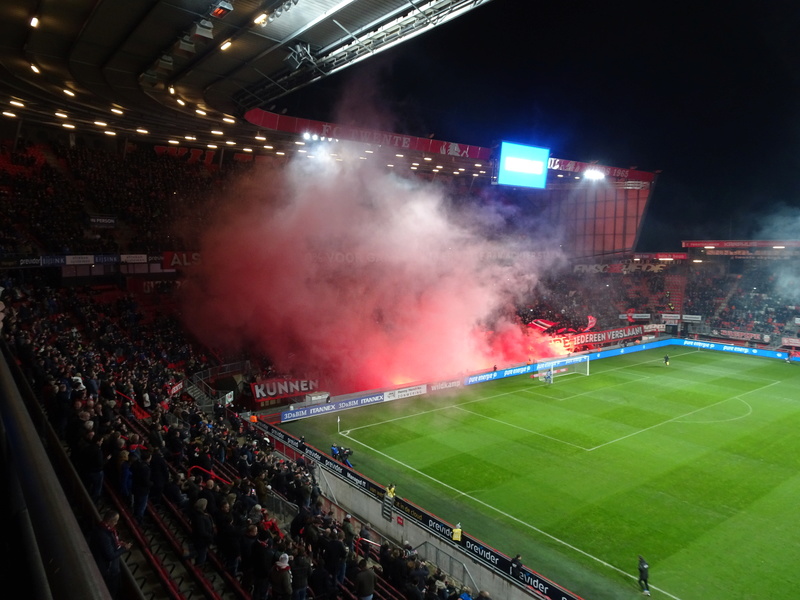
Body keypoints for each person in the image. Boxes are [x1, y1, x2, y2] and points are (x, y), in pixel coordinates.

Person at [88, 510, 132, 599]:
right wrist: (124, 548)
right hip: (109, 572)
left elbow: (109, 545)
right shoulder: (103, 535)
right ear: (110, 521)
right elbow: (110, 555)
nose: (116, 523)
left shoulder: (102, 529)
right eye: (115, 521)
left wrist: (119, 543)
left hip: (110, 570)